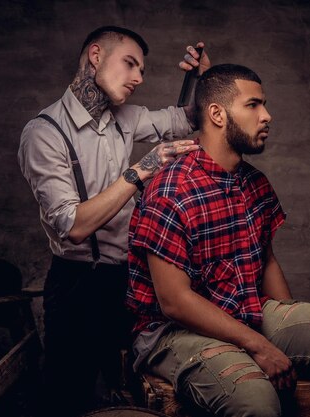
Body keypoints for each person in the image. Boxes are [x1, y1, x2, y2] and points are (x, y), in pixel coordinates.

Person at [126, 64, 310, 417]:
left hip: (241, 310)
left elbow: (266, 261)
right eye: (253, 105)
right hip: (172, 333)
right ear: (217, 114)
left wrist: (289, 336)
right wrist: (261, 347)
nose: (267, 115)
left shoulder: (253, 183)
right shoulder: (171, 189)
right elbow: (174, 302)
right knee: (256, 399)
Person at [18, 26, 208, 416]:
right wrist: (144, 168)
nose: (139, 77)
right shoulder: (44, 133)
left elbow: (189, 118)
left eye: (142, 68)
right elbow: (72, 225)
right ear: (95, 55)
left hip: (129, 281)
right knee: (69, 396)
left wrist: (201, 76)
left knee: (135, 392)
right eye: (130, 63)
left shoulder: (126, 117)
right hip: (76, 286)